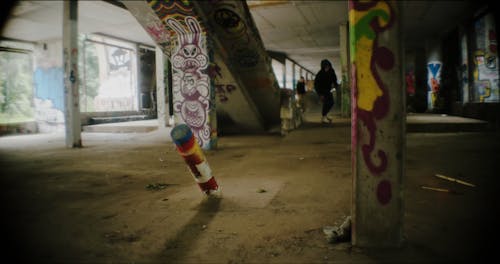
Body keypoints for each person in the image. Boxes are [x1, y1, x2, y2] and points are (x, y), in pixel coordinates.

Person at [314, 59, 338, 123]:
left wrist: (336, 86)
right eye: (326, 66)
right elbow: (316, 85)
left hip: (328, 89)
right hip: (322, 90)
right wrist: (320, 94)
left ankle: (325, 115)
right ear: (323, 66)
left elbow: (334, 79)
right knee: (326, 103)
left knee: (331, 102)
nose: (327, 67)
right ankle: (324, 117)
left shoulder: (331, 71)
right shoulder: (320, 74)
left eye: (328, 66)